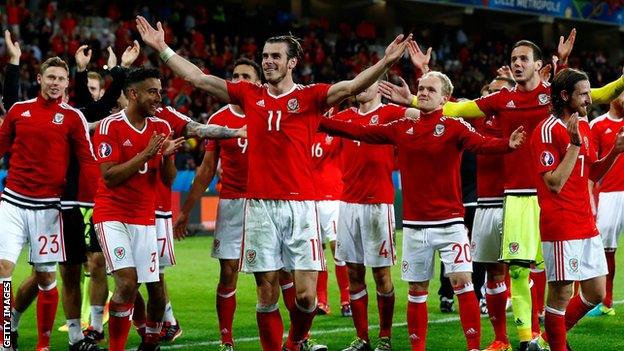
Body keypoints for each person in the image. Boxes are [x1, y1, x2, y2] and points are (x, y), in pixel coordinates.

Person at [136, 15, 411, 351]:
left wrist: (386, 61)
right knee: (266, 293)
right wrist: (162, 47)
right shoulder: (249, 94)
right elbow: (197, 78)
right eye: (265, 56)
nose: (268, 61)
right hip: (261, 207)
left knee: (307, 297)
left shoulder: (311, 97)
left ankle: (295, 341)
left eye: (275, 56)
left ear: (292, 62)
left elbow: (352, 87)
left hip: (302, 208)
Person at [379, 33, 624, 350]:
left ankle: (544, 334)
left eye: (524, 59)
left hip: (559, 198)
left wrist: (566, 64)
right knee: (520, 272)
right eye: (513, 59)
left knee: (558, 279)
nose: (517, 64)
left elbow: (591, 94)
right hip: (519, 195)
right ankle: (524, 338)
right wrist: (415, 95)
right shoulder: (501, 101)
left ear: (539, 65)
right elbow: (455, 108)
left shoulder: (552, 98)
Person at [321, 71, 525, 351]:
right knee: (417, 292)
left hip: (450, 223)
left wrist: (507, 145)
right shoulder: (401, 127)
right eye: (421, 88)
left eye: (431, 89)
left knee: (463, 283)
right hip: (415, 227)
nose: (424, 92)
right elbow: (359, 131)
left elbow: (481, 145)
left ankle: (474, 347)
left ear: (444, 97)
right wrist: (314, 121)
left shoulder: (455, 126)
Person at [0, 56, 97, 351]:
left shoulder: (72, 118)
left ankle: (43, 345)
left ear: (67, 84)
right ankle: (5, 339)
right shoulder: (19, 111)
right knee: (3, 269)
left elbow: (88, 163)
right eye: (50, 77)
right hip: (13, 203)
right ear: (40, 79)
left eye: (61, 79)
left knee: (45, 276)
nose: (55, 83)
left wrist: (100, 203)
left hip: (49, 208)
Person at [529, 68, 624, 351]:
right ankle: (556, 345)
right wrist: (572, 146)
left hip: (585, 222)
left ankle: (547, 340)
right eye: (583, 94)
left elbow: (591, 172)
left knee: (595, 291)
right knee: (560, 296)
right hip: (561, 225)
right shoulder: (545, 131)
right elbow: (555, 183)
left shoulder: (583, 125)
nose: (588, 99)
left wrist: (615, 152)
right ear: (564, 96)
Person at [91, 67, 184, 351]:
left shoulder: (162, 128)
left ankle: (151, 339)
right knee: (128, 283)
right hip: (112, 215)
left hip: (146, 218)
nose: (159, 97)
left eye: (160, 90)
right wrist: (145, 154)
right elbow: (109, 176)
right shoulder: (110, 127)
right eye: (152, 91)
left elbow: (167, 180)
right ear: (134, 94)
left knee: (156, 288)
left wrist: (166, 157)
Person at [173, 57, 261, 351]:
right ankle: (226, 339)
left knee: (274, 273)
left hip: (266, 203)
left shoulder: (267, 112)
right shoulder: (218, 120)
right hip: (233, 204)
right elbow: (206, 169)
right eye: (235, 75)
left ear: (258, 83)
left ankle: (298, 339)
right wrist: (185, 211)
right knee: (228, 272)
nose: (239, 80)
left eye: (246, 76)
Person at [331, 78, 416, 351]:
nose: (360, 87)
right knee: (354, 273)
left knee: (381, 274)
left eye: (368, 82)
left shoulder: (392, 114)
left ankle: (385, 337)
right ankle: (362, 338)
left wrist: (410, 99)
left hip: (378, 205)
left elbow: (426, 113)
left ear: (380, 88)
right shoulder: (342, 117)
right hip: (347, 205)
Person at [471, 76, 516, 351]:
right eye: (492, 91)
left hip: (519, 200)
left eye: (503, 91)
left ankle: (532, 331)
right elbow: (446, 106)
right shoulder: (479, 120)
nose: (497, 96)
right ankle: (501, 339)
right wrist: (425, 72)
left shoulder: (522, 117)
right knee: (493, 270)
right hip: (486, 203)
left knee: (524, 270)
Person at [587, 90, 624, 317]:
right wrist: (590, 198)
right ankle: (606, 301)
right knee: (605, 248)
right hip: (610, 193)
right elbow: (591, 166)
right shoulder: (597, 125)